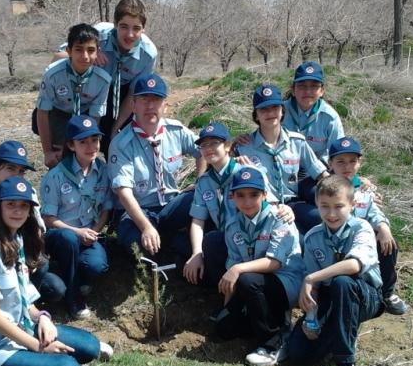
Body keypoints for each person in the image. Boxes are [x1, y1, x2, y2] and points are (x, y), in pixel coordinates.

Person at [0, 176, 113, 366]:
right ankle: (31, 357)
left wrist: (43, 318)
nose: (17, 211)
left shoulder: (17, 240)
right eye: (10, 204)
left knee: (90, 347)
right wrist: (38, 346)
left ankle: (40, 351)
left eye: (24, 206)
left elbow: (24, 299)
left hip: (22, 327)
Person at [287, 175, 384, 366]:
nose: (331, 214)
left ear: (352, 205)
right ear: (316, 204)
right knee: (298, 355)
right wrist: (311, 318)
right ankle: (339, 332)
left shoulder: (362, 228)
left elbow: (353, 266)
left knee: (343, 282)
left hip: (366, 295)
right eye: (325, 206)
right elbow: (314, 287)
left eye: (339, 206)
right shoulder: (313, 237)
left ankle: (345, 363)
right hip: (331, 297)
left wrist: (312, 277)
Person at [108, 73, 206, 263]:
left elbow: (203, 150)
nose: (150, 106)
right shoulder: (121, 143)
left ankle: (171, 240)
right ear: (133, 105)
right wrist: (146, 227)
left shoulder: (176, 131)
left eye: (156, 100)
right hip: (138, 210)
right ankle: (169, 241)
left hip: (170, 205)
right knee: (137, 246)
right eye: (144, 99)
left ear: (165, 105)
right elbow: (124, 193)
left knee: (203, 197)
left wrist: (200, 180)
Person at [184, 122, 293, 290]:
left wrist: (285, 208)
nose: (208, 149)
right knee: (189, 248)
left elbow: (271, 203)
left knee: (213, 241)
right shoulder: (204, 182)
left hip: (252, 238)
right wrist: (197, 253)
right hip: (227, 239)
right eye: (203, 145)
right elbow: (198, 221)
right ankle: (222, 292)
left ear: (228, 146)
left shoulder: (247, 171)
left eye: (214, 143)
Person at [217, 167, 305, 366]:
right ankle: (278, 325)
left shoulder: (279, 218)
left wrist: (238, 269)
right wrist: (228, 308)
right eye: (241, 195)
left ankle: (273, 344)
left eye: (254, 195)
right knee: (224, 328)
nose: (247, 202)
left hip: (286, 282)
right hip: (256, 284)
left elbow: (274, 263)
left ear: (265, 194)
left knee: (247, 279)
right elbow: (232, 272)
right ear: (233, 197)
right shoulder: (233, 226)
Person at [52, 0, 158, 155]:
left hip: (121, 96)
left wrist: (115, 130)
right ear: (115, 24)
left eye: (136, 28)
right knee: (75, 140)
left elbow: (132, 95)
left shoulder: (148, 54)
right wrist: (89, 56)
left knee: (117, 144)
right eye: (123, 27)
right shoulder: (99, 34)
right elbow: (57, 57)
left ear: (143, 29)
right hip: (89, 91)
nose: (130, 34)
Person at [41, 116, 112, 319]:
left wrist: (94, 231)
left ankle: (76, 275)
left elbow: (106, 208)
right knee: (68, 239)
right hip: (61, 236)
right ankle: (73, 297)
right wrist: (77, 232)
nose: (91, 146)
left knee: (97, 266)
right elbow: (48, 217)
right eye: (83, 142)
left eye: (95, 140)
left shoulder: (103, 172)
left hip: (88, 235)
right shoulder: (55, 176)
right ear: (71, 145)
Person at [327, 136, 408, 315]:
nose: (347, 167)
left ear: (359, 163)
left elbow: (374, 212)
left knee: (387, 242)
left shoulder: (365, 189)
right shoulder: (326, 188)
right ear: (330, 163)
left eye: (352, 161)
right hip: (336, 239)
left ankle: (385, 292)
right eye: (340, 162)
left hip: (362, 239)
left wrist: (383, 227)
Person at [0, 140, 65, 305]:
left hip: (26, 254)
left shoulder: (28, 192)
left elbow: (39, 228)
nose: (17, 176)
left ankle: (27, 296)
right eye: (10, 169)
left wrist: (32, 255)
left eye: (21, 171)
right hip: (1, 263)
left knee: (56, 288)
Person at [235, 84, 329, 234]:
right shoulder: (244, 148)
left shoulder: (297, 141)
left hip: (293, 202)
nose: (270, 113)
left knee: (320, 219)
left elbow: (319, 172)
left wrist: (346, 191)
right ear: (256, 115)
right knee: (288, 235)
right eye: (264, 109)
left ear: (282, 111)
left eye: (275, 108)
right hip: (264, 207)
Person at [35, 23, 112, 168]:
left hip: (85, 114)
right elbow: (42, 112)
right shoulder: (52, 75)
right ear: (69, 51)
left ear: (97, 52)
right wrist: (47, 152)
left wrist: (88, 145)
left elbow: (95, 117)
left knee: (82, 156)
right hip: (58, 112)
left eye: (90, 50)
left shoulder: (103, 80)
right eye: (78, 50)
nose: (85, 56)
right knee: (59, 158)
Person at [283, 61, 345, 164]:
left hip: (318, 170)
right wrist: (249, 139)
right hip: (284, 166)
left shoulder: (330, 117)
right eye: (302, 86)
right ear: (293, 90)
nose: (307, 92)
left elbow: (338, 152)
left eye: (314, 86)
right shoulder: (280, 111)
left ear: (322, 91)